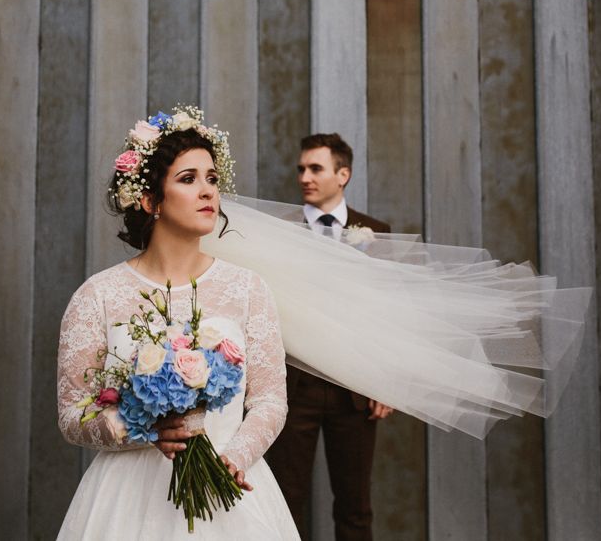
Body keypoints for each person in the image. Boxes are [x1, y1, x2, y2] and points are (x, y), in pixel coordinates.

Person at [56, 109, 300, 539]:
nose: (208, 191)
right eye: (188, 179)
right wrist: (141, 428)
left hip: (231, 492)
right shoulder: (98, 295)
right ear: (150, 200)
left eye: (212, 178)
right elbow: (73, 414)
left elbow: (269, 401)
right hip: (127, 500)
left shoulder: (247, 289)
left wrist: (234, 459)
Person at [268, 133, 393, 541]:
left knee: (355, 506)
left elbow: (389, 313)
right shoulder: (279, 231)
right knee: (284, 501)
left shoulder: (376, 232)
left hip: (353, 391)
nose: (305, 176)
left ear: (343, 175)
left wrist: (384, 380)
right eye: (301, 168)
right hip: (293, 388)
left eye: (315, 168)